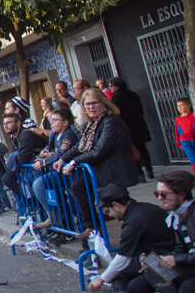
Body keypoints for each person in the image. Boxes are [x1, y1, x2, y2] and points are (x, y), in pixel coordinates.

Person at [54, 88, 137, 238]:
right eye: (87, 104)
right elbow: (80, 146)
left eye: (94, 103)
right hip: (101, 171)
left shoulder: (111, 121)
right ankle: (92, 228)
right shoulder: (92, 123)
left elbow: (100, 150)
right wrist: (63, 159)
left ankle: (133, 243)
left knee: (123, 210)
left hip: (115, 172)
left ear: (103, 103)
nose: (91, 107)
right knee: (78, 187)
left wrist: (73, 162)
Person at [87, 185, 175, 293]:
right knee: (118, 271)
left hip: (166, 263)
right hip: (155, 259)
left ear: (116, 205)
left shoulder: (134, 222)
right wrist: (144, 254)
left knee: (135, 288)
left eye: (108, 211)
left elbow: (124, 255)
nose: (110, 216)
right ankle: (120, 292)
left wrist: (101, 279)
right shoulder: (145, 208)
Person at [31, 108, 79, 243]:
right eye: (50, 120)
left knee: (39, 184)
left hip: (69, 174)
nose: (51, 123)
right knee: (57, 199)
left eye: (54, 120)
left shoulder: (68, 135)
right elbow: (55, 153)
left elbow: (62, 154)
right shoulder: (57, 135)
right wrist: (44, 155)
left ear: (65, 122)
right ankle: (61, 225)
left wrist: (44, 162)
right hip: (60, 173)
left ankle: (61, 223)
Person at [0, 112, 47, 216]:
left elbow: (22, 158)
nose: (6, 126)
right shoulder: (14, 138)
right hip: (28, 170)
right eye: (4, 124)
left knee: (44, 199)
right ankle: (29, 202)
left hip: (39, 168)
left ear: (18, 123)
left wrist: (13, 158)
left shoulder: (25, 135)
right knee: (7, 178)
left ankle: (32, 203)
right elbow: (12, 156)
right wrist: (13, 158)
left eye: (9, 123)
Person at [109, 76, 154, 181]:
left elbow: (116, 113)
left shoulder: (116, 97)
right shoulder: (133, 94)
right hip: (139, 124)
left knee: (133, 151)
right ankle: (149, 170)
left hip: (127, 127)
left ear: (117, 85)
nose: (110, 88)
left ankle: (140, 174)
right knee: (143, 149)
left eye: (111, 86)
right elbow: (140, 109)